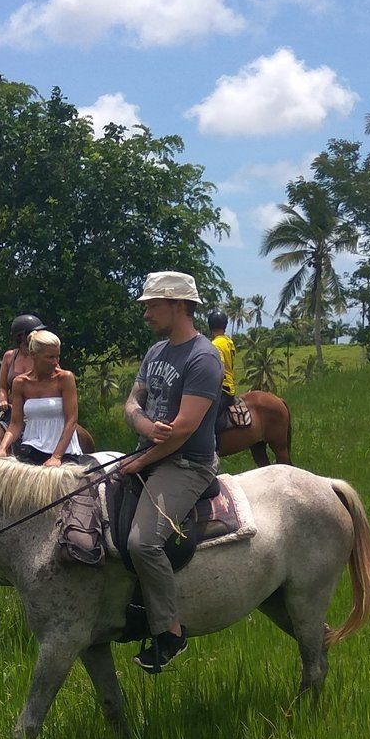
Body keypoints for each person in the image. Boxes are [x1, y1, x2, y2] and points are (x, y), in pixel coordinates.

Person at [122, 272, 225, 673]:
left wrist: (141, 460)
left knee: (142, 543)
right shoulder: (156, 353)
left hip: (185, 464)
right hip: (150, 451)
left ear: (179, 305)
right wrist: (143, 425)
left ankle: (170, 632)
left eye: (152, 305)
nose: (146, 313)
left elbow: (182, 430)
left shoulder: (203, 358)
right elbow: (133, 401)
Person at [0, 329, 85, 466]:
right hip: (32, 448)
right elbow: (15, 424)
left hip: (64, 451)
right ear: (34, 355)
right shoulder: (20, 383)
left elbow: (71, 420)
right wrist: (2, 448)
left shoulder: (65, 378)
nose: (55, 362)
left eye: (57, 357)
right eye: (50, 357)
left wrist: (56, 457)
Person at [0, 313, 45, 423]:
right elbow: (2, 387)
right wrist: (3, 401)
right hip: (13, 409)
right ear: (21, 336)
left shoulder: (43, 356)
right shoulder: (9, 357)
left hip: (36, 409)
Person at [207, 309, 239, 428]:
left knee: (205, 420)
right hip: (230, 388)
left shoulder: (215, 344)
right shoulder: (228, 342)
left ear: (210, 326)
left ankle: (210, 444)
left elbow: (217, 369)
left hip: (222, 390)